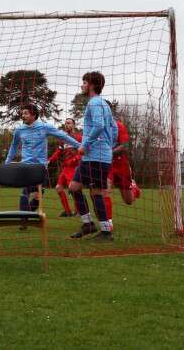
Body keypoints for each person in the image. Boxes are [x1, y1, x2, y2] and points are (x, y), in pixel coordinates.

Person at [4, 104, 80, 223]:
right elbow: (14, 146)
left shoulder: (44, 127)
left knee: (39, 195)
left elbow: (63, 136)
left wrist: (79, 146)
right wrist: (7, 162)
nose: (22, 115)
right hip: (26, 166)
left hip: (40, 167)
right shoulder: (19, 129)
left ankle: (24, 216)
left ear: (34, 115)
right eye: (22, 113)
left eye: (26, 113)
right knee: (26, 191)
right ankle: (23, 220)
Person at [68, 72, 119, 241]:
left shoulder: (95, 102)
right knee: (74, 187)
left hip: (96, 156)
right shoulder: (103, 104)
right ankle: (88, 224)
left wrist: (86, 144)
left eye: (84, 82)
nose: (82, 85)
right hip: (93, 156)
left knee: (96, 192)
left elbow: (99, 125)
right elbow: (114, 129)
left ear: (91, 85)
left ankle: (106, 232)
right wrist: (108, 146)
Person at [105, 115, 141, 226]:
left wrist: (109, 153)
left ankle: (134, 188)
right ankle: (107, 224)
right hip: (106, 163)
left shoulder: (119, 125)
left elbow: (125, 146)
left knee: (128, 201)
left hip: (121, 164)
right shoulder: (97, 127)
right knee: (105, 189)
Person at [48, 118, 83, 217]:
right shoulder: (63, 138)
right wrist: (49, 160)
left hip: (74, 168)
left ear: (74, 125)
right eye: (65, 123)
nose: (67, 125)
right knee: (58, 188)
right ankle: (67, 212)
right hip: (65, 168)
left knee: (74, 190)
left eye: (69, 123)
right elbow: (58, 152)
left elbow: (83, 152)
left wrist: (74, 160)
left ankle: (79, 211)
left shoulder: (79, 137)